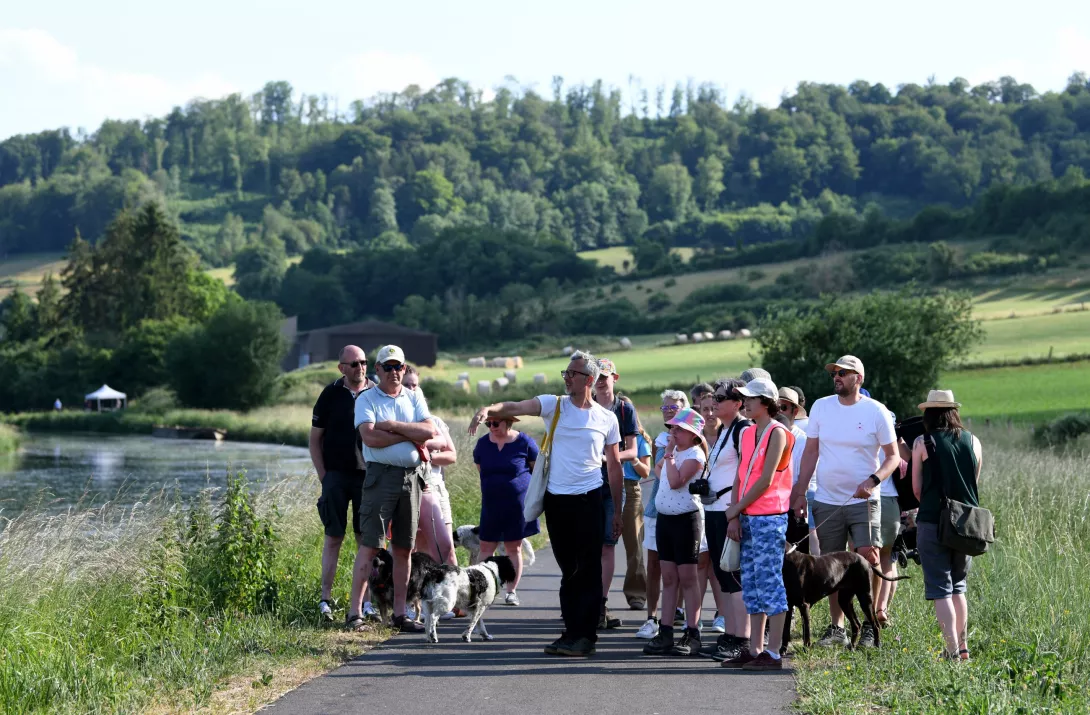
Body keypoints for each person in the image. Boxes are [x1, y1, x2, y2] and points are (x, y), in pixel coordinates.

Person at [469, 350, 622, 657]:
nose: (566, 378)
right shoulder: (555, 405)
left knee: (588, 569)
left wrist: (617, 511)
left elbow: (615, 467)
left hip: (590, 498)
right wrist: (492, 408)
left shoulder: (607, 418)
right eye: (565, 373)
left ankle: (585, 636)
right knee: (568, 568)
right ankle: (571, 632)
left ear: (589, 380)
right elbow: (518, 406)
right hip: (557, 500)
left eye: (572, 374)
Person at [788, 355, 900, 649]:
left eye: (843, 373)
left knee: (867, 556)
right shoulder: (821, 407)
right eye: (834, 372)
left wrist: (873, 481)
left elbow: (893, 457)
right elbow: (810, 452)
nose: (836, 376)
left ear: (858, 378)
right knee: (832, 564)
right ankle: (836, 627)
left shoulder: (876, 411)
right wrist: (800, 491)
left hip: (864, 499)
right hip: (826, 498)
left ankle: (870, 624)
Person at [347, 345, 438, 633]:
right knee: (371, 545)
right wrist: (409, 435)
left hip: (411, 479)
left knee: (404, 548)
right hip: (380, 478)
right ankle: (355, 614)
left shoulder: (414, 396)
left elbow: (429, 431)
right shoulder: (366, 399)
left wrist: (395, 427)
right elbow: (370, 438)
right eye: (388, 367)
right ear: (378, 370)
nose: (394, 372)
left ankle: (400, 614)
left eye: (398, 366)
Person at [721, 377, 795, 671]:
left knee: (770, 582)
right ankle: (755, 647)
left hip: (769, 516)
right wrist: (737, 513)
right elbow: (741, 475)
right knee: (751, 582)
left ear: (766, 402)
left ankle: (774, 652)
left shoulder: (779, 432)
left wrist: (735, 507)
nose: (746, 402)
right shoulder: (748, 433)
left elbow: (765, 479)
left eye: (751, 398)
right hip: (748, 515)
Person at [911, 390, 983, 661]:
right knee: (959, 586)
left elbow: (917, 489)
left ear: (929, 414)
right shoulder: (974, 441)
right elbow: (974, 482)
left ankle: (951, 651)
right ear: (954, 412)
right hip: (966, 523)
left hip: (933, 520)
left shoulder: (922, 442)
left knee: (941, 588)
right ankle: (963, 648)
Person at [310, 345, 376, 622]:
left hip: (367, 476)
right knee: (334, 537)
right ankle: (326, 600)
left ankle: (368, 603)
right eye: (353, 364)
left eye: (363, 362)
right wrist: (325, 477)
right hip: (335, 475)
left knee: (367, 540)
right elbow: (315, 440)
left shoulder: (376, 393)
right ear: (341, 368)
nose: (359, 368)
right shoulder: (330, 394)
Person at [643, 407, 707, 657]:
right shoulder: (673, 454)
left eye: (679, 429)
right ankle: (666, 631)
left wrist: (668, 457)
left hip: (686, 522)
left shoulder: (694, 454)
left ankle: (693, 632)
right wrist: (668, 459)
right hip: (665, 521)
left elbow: (676, 481)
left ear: (693, 435)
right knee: (668, 578)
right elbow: (659, 473)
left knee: (688, 579)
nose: (674, 432)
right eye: (673, 428)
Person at [703, 378, 754, 662]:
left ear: (737, 403)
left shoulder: (743, 430)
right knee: (724, 575)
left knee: (735, 575)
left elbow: (746, 475)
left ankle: (742, 640)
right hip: (715, 511)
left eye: (721, 399)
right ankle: (731, 636)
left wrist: (735, 514)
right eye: (714, 398)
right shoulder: (724, 431)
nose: (715, 403)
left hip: (729, 512)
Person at [636, 389, 690, 640]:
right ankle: (651, 618)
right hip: (656, 510)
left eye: (674, 408)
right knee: (655, 564)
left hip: (684, 510)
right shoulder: (660, 439)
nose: (669, 412)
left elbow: (676, 475)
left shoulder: (693, 441)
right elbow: (660, 474)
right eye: (666, 409)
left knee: (681, 566)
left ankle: (678, 613)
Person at [472, 412, 540, 604]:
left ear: (508, 422)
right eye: (489, 424)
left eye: (495, 423)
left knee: (513, 547)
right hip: (491, 502)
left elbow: (536, 470)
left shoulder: (524, 442)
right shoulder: (483, 444)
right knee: (486, 545)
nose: (492, 427)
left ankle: (511, 591)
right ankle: (484, 589)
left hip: (517, 504)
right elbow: (480, 467)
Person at [594, 358, 641, 625]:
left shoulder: (624, 409)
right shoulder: (582, 405)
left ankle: (601, 605)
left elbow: (633, 450)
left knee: (607, 545)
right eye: (596, 376)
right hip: (584, 482)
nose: (601, 381)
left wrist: (609, 457)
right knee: (585, 546)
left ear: (615, 378)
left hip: (612, 481)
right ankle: (583, 603)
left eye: (605, 376)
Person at [402, 367, 458, 570]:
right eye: (406, 385)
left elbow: (451, 455)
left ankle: (454, 599)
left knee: (446, 548)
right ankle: (416, 600)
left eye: (414, 385)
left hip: (435, 488)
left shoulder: (434, 421)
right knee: (413, 551)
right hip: (408, 490)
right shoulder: (398, 422)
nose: (411, 389)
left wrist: (428, 456)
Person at [777, 387, 815, 556]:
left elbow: (802, 480)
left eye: (783, 407)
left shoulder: (803, 440)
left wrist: (782, 507)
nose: (778, 411)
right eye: (775, 407)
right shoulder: (764, 435)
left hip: (792, 508)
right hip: (772, 509)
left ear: (794, 411)